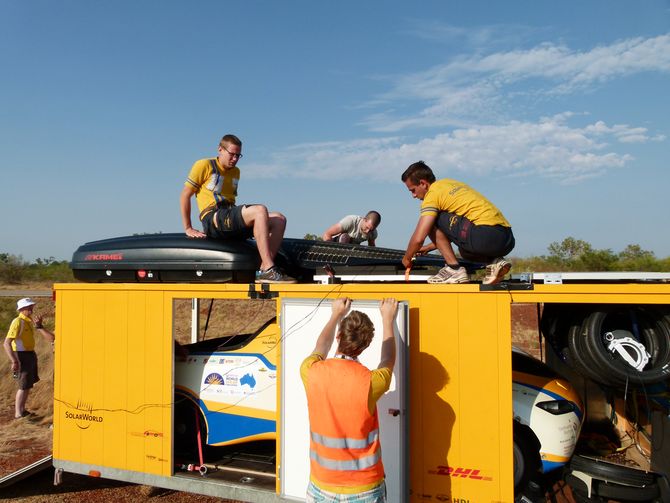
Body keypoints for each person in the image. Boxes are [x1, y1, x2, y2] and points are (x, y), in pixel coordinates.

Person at [301, 297, 398, 502]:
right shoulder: (371, 382)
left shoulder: (311, 372)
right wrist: (388, 319)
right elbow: (387, 360)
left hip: (321, 484)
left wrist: (336, 314)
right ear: (365, 346)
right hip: (364, 488)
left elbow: (321, 347)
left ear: (338, 336)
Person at [180, 134, 296, 284]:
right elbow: (184, 195)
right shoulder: (204, 165)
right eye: (232, 154)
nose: (235, 159)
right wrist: (188, 227)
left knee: (279, 219)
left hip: (229, 215)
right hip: (213, 218)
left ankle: (264, 270)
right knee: (260, 210)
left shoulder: (236, 172)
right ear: (220, 150)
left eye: (238, 155)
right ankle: (268, 268)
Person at [401, 161, 515, 285]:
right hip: (506, 238)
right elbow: (455, 231)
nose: (413, 195)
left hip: (484, 236)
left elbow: (419, 238)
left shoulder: (432, 195)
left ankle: (454, 269)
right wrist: (429, 248)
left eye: (413, 190)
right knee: (464, 252)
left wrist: (407, 257)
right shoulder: (449, 183)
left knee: (431, 220)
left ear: (423, 183)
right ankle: (495, 262)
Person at [3, 298, 55, 419]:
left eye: (31, 306)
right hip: (21, 356)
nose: (31, 309)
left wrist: (38, 325)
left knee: (27, 384)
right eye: (28, 307)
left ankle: (22, 410)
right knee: (23, 385)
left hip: (29, 355)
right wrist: (14, 360)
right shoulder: (18, 322)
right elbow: (6, 343)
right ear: (21, 309)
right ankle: (18, 414)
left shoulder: (28, 321)